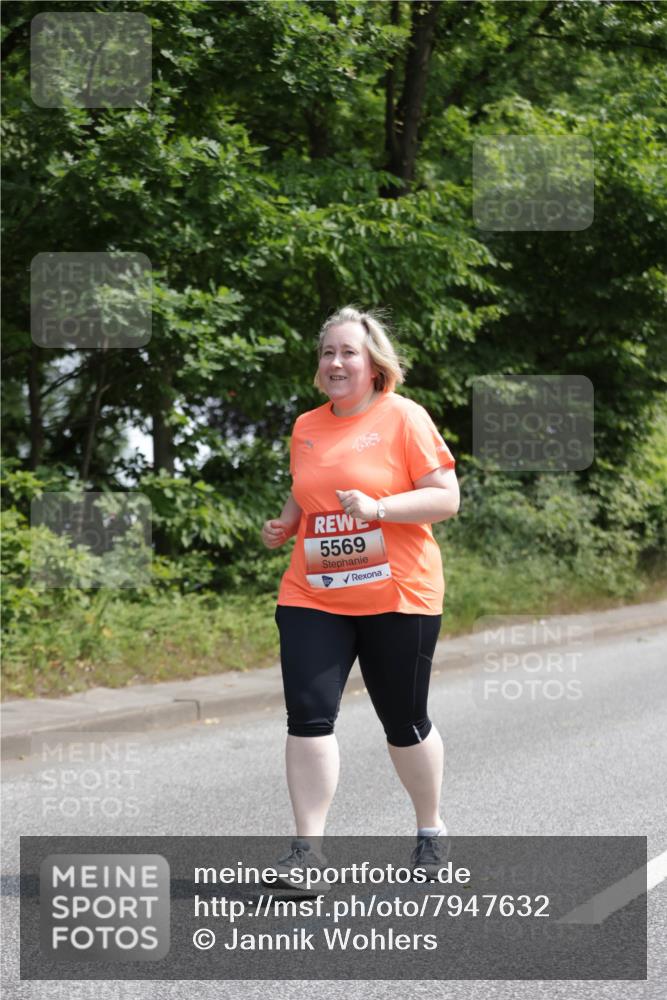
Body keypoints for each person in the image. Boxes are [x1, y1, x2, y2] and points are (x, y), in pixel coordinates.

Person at [260, 305, 460, 884]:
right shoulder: (306, 426)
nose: (336, 362)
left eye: (349, 352)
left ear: (374, 365)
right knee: (308, 716)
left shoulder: (404, 417)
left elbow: (446, 498)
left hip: (398, 594)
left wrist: (381, 509)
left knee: (404, 720)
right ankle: (308, 853)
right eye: (328, 352)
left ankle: (429, 830)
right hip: (313, 592)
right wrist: (286, 522)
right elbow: (308, 489)